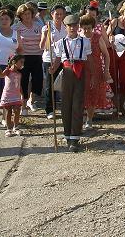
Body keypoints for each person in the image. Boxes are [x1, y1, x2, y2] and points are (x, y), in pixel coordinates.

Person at [50, 14, 91, 149]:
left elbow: (89, 60)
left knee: (77, 104)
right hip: (67, 72)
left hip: (80, 72)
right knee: (66, 104)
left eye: (74, 25)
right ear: (65, 27)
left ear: (78, 26)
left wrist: (92, 76)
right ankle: (67, 134)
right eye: (69, 26)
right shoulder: (60, 43)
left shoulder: (85, 41)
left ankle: (75, 137)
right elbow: (57, 59)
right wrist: (53, 68)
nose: (72, 28)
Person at [81, 10, 113, 129]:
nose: (86, 31)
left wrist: (106, 70)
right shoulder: (79, 38)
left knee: (93, 95)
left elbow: (106, 55)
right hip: (82, 70)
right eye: (84, 28)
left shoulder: (97, 38)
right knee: (83, 94)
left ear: (93, 27)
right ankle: (81, 117)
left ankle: (89, 119)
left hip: (96, 70)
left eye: (89, 28)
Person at [105, 1, 125, 115]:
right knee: (113, 79)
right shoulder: (115, 21)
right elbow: (106, 36)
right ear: (122, 11)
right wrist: (110, 39)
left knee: (124, 79)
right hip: (113, 53)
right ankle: (115, 106)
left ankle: (121, 105)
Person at [15, 3, 44, 114]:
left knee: (37, 80)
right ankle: (23, 105)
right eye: (24, 14)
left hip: (37, 56)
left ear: (32, 14)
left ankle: (31, 101)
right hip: (23, 57)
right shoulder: (17, 27)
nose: (27, 16)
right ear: (20, 15)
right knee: (23, 81)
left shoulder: (38, 26)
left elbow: (44, 39)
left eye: (28, 14)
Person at [41, 5, 67, 119]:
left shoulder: (66, 27)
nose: (59, 16)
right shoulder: (47, 27)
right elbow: (42, 46)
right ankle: (50, 109)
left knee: (62, 84)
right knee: (50, 85)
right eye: (57, 14)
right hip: (49, 59)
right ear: (52, 14)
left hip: (63, 59)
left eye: (61, 14)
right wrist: (45, 35)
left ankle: (64, 107)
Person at [0, 54, 25, 136]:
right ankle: (8, 129)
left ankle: (16, 127)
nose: (22, 64)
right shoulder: (8, 71)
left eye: (23, 62)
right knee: (8, 112)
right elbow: (1, 75)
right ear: (14, 62)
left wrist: (22, 94)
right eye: (21, 62)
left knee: (17, 111)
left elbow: (19, 85)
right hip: (8, 95)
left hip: (16, 95)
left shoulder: (19, 74)